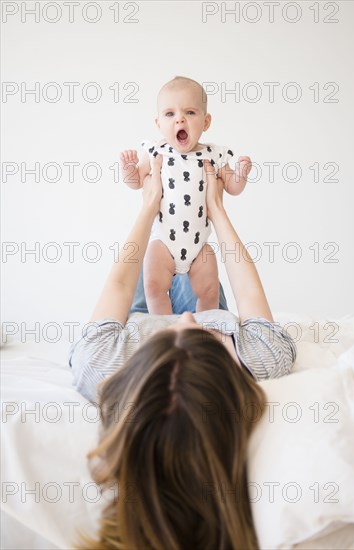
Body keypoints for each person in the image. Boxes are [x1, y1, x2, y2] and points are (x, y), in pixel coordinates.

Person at [69, 156, 297, 550]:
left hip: (141, 312)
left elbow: (121, 287)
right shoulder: (261, 357)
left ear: (138, 369)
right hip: (209, 292)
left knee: (151, 268)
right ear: (229, 368)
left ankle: (171, 329)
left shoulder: (102, 364)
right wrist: (216, 210)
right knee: (205, 276)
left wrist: (149, 205)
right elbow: (246, 295)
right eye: (207, 336)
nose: (186, 315)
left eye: (175, 332)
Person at [120, 76, 252, 314]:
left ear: (206, 121)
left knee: (209, 289)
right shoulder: (155, 151)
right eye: (169, 114)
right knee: (152, 286)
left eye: (190, 112)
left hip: (198, 245)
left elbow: (232, 187)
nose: (179, 118)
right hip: (163, 242)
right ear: (158, 123)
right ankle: (164, 329)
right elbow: (137, 181)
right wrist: (129, 170)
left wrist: (240, 175)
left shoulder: (214, 154)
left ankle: (203, 328)